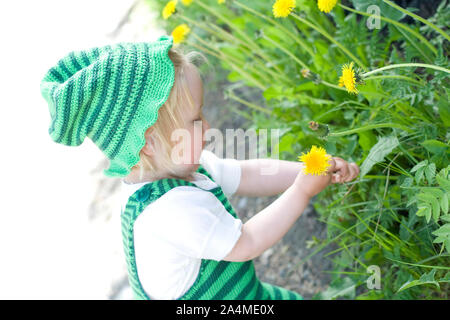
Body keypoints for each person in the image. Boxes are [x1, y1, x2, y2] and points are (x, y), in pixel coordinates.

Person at [40, 35, 360, 300]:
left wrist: (312, 169)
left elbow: (247, 174)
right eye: (195, 120)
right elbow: (246, 242)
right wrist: (302, 190)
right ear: (149, 141)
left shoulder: (179, 168)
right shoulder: (170, 210)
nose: (208, 128)